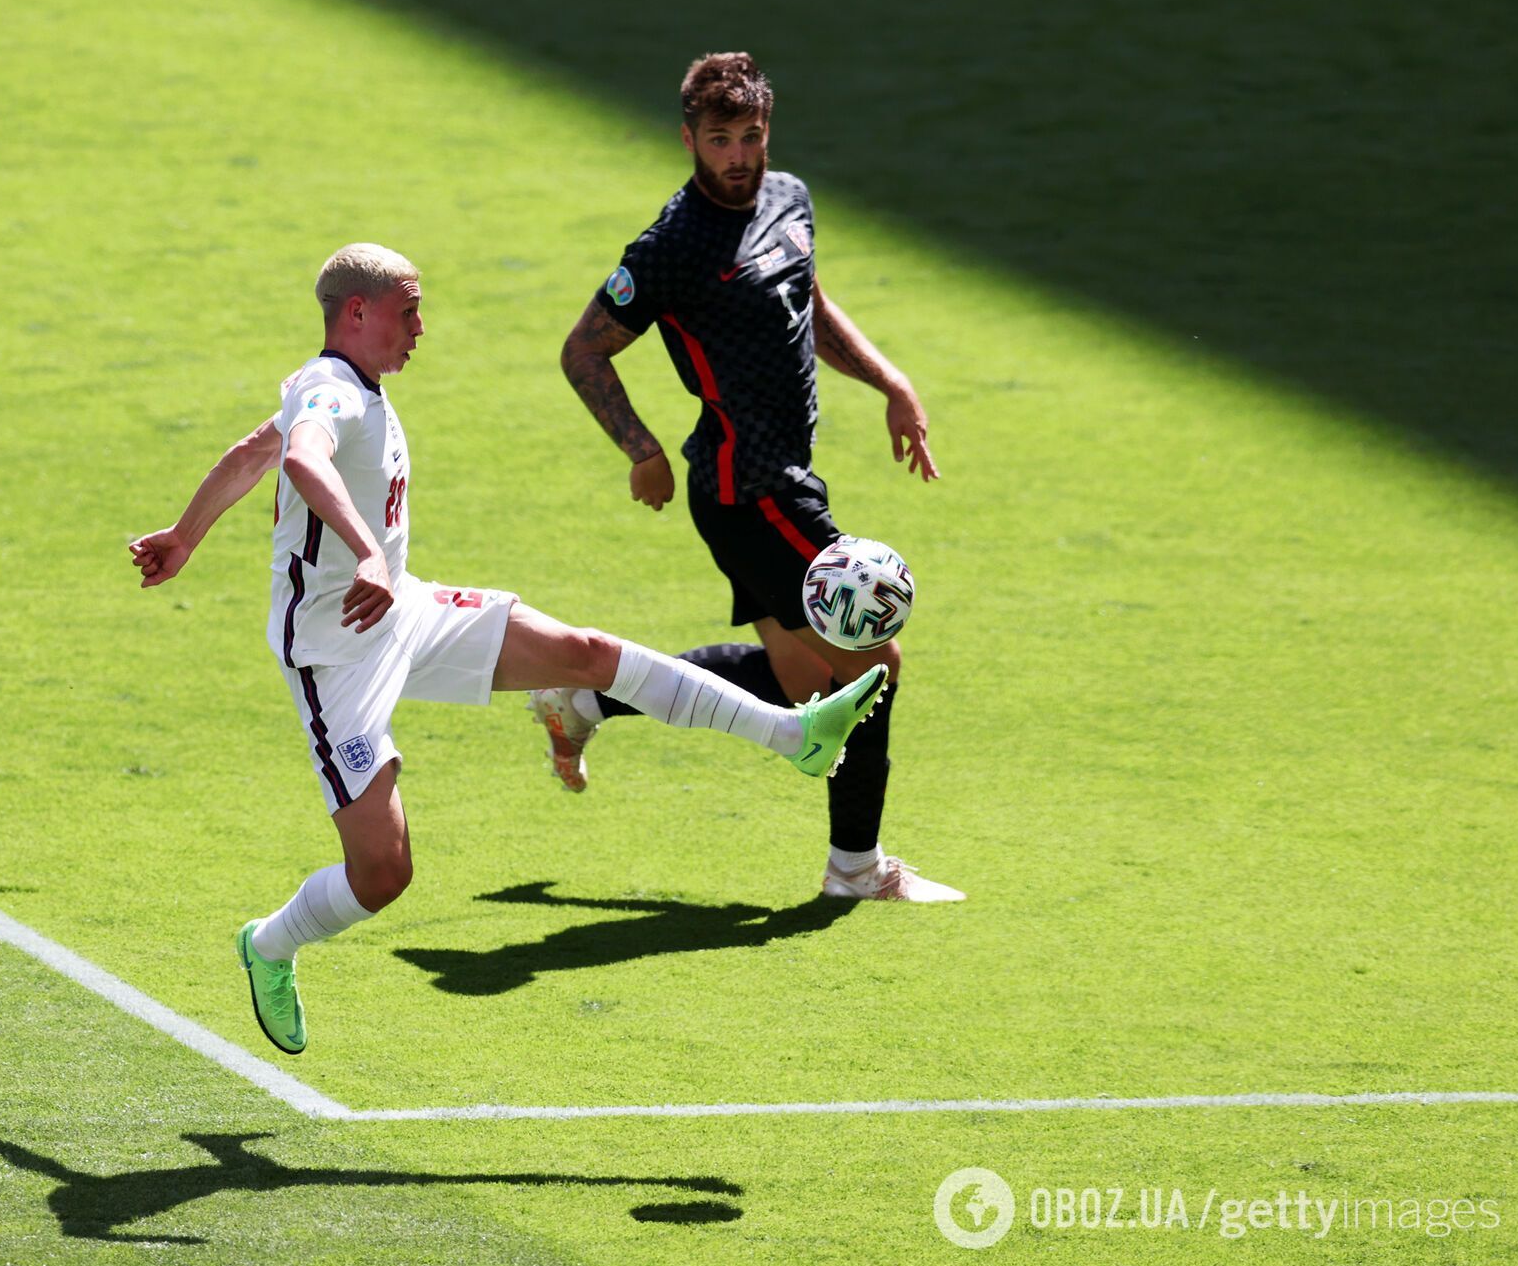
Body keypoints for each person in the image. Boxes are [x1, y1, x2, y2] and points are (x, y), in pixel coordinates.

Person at [129, 243, 890, 1055]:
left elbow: (258, 451)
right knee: (383, 875)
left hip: (403, 613)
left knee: (587, 651)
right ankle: (269, 945)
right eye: (407, 310)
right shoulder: (328, 391)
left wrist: (184, 533)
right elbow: (304, 459)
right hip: (335, 658)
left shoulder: (339, 387)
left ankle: (796, 736)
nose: (421, 326)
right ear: (356, 312)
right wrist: (369, 551)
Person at [534, 51, 960, 904]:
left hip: (785, 479)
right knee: (875, 651)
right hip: (746, 490)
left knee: (806, 683)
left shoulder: (789, 199)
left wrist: (891, 382)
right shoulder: (672, 246)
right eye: (720, 139)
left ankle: (588, 698)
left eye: (751, 136)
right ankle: (857, 868)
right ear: (689, 137)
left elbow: (809, 302)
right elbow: (583, 350)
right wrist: (641, 449)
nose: (738, 155)